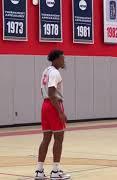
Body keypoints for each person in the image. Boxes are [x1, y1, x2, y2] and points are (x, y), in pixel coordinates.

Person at [35, 49, 70, 180]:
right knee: (59, 139)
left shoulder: (46, 71)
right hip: (54, 105)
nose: (63, 61)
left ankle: (39, 171)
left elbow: (43, 91)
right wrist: (60, 112)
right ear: (55, 59)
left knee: (46, 139)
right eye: (62, 58)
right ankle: (55, 171)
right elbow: (51, 93)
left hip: (45, 105)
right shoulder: (55, 73)